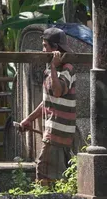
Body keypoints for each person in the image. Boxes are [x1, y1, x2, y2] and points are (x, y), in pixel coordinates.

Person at [19, 27, 77, 185]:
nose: (42, 49)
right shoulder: (51, 70)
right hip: (52, 131)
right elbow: (48, 101)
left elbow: (57, 92)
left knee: (44, 173)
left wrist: (52, 66)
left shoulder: (67, 69)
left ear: (55, 49)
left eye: (45, 46)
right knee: (55, 176)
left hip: (58, 133)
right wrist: (29, 119)